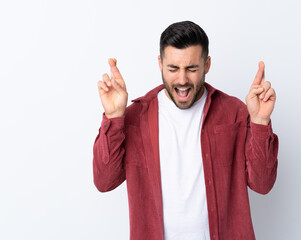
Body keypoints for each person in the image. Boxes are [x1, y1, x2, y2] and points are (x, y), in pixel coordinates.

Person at [93, 21, 278, 240]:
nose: (182, 80)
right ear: (160, 63)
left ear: (207, 65)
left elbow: (263, 184)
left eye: (191, 69)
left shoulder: (234, 112)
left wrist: (259, 121)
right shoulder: (135, 117)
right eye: (173, 69)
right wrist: (114, 118)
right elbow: (105, 182)